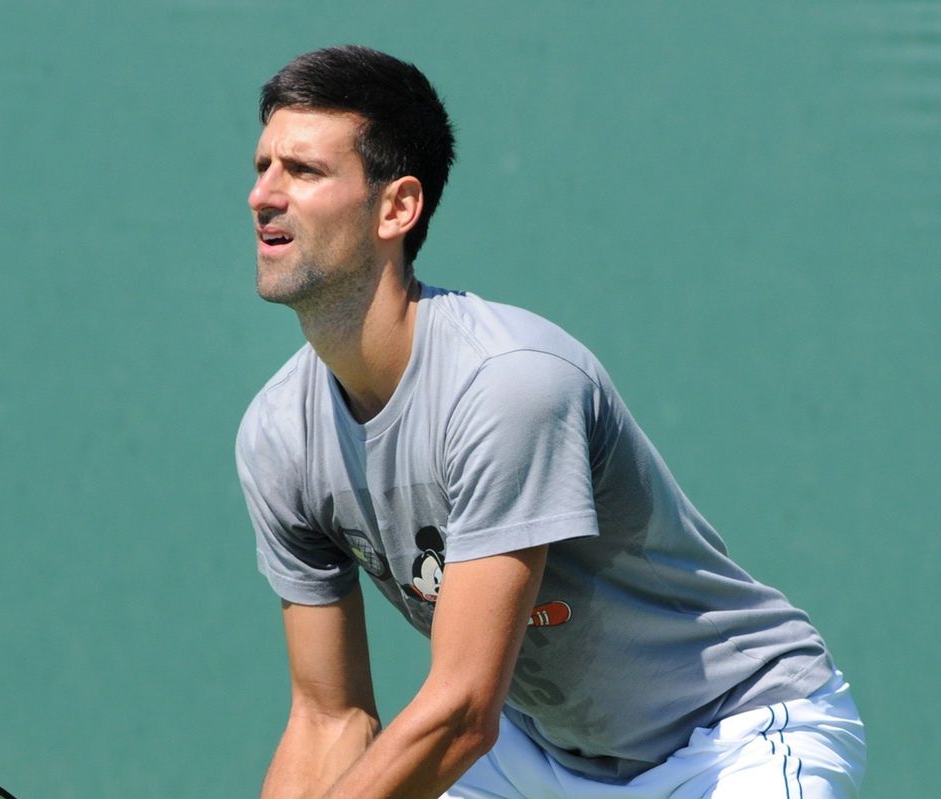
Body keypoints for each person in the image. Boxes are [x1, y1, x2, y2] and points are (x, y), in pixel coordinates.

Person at [234, 45, 866, 799]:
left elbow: (464, 711)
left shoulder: (509, 386)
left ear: (396, 207)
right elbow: (327, 719)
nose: (262, 195)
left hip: (731, 738)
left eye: (302, 171)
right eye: (262, 165)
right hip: (540, 760)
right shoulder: (279, 434)